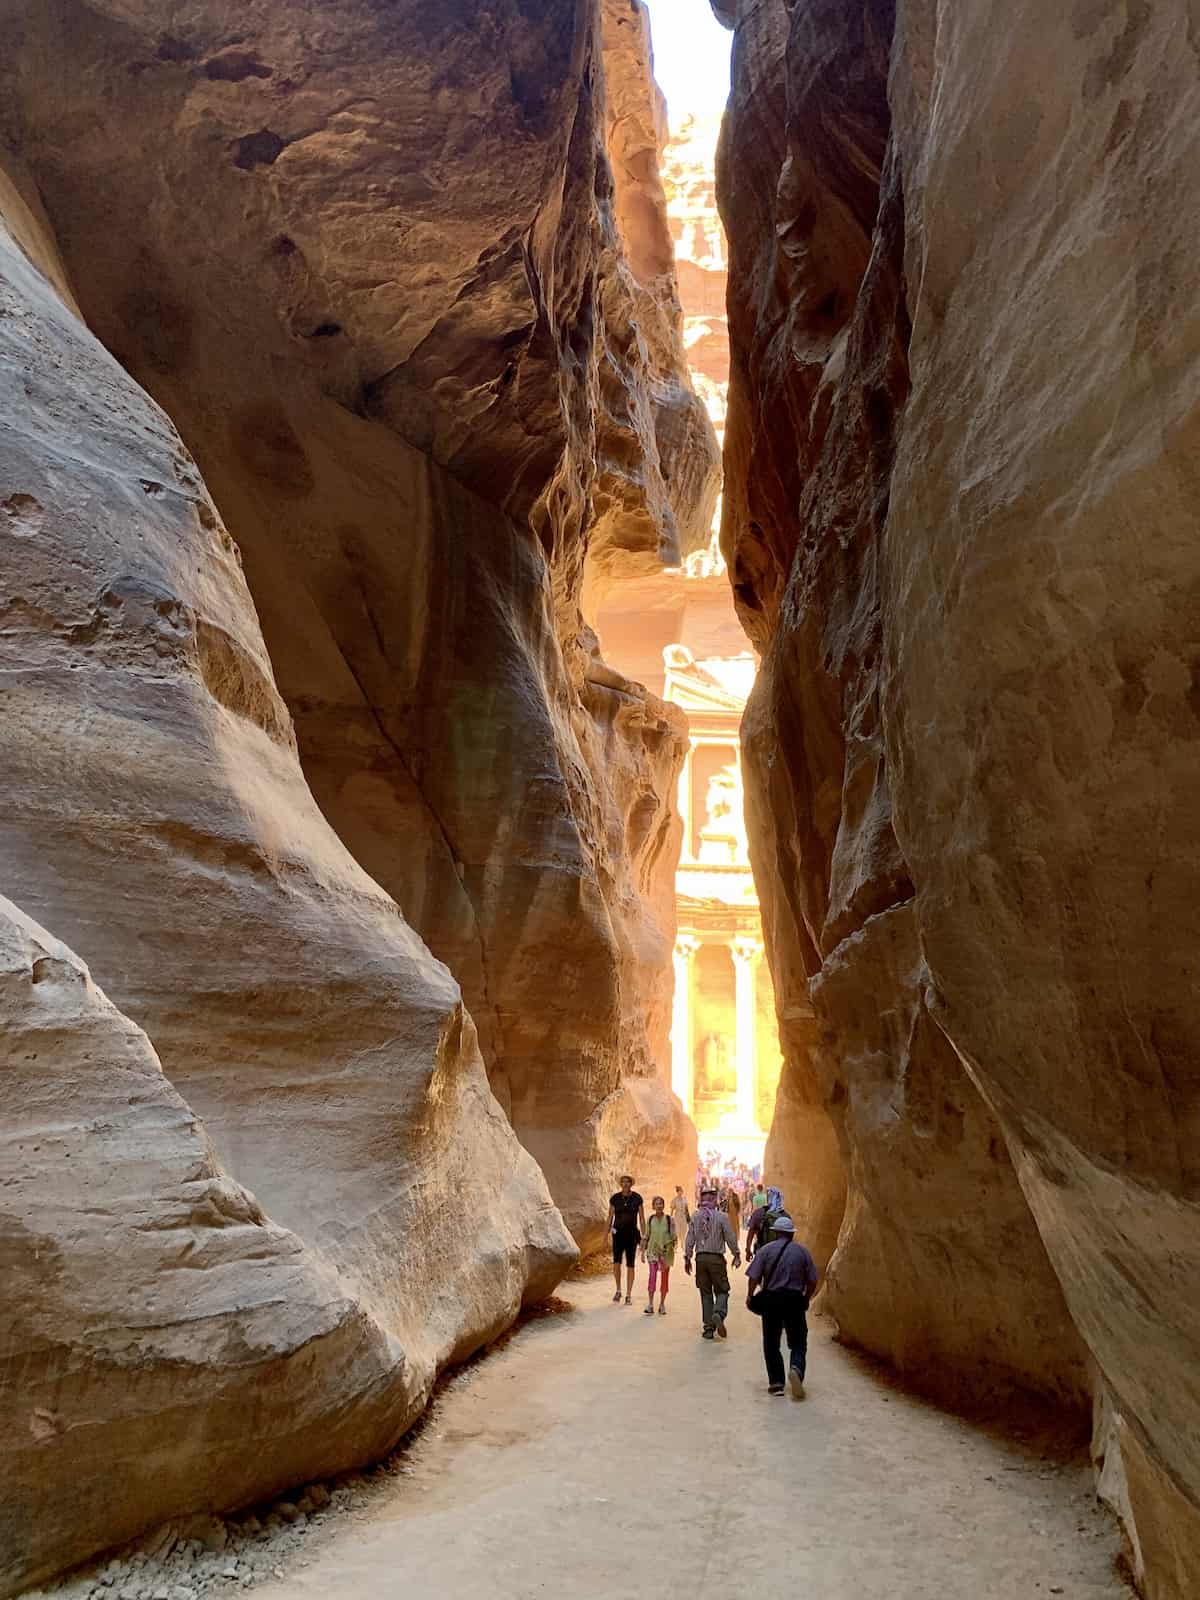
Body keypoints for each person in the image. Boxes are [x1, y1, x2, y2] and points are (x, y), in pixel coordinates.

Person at [746, 1213, 819, 1397]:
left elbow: (754, 1276)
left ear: (776, 1233)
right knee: (798, 1341)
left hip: (771, 1300)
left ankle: (776, 1383)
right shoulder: (802, 1252)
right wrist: (806, 1298)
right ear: (792, 1234)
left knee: (771, 1342)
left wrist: (750, 1295)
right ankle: (796, 1368)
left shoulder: (765, 1250)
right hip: (794, 1300)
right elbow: (812, 1280)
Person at [684, 1186, 741, 1339]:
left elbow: (689, 1238)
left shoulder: (695, 1216)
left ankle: (709, 1327)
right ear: (715, 1199)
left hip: (700, 1259)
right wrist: (736, 1253)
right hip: (716, 1260)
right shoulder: (722, 1217)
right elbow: (730, 1236)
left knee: (705, 1293)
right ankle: (718, 1313)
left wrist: (687, 1257)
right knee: (722, 1290)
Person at [607, 1175, 645, 1305]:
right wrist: (604, 1235)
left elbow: (641, 1218)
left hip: (632, 1235)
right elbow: (610, 1216)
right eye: (623, 1182)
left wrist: (644, 1237)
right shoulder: (615, 1198)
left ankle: (628, 1294)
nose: (625, 1184)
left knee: (630, 1264)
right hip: (617, 1235)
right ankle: (618, 1290)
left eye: (628, 1182)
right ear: (620, 1184)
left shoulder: (637, 1198)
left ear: (631, 1184)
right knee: (616, 1263)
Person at [641, 1196, 676, 1315]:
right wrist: (642, 1252)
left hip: (665, 1254)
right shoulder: (650, 1219)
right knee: (652, 1277)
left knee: (665, 1279)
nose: (659, 1205)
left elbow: (674, 1237)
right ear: (653, 1206)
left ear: (664, 1205)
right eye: (657, 1204)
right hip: (652, 1253)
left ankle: (662, 1304)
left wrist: (668, 1248)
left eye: (661, 1203)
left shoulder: (669, 1219)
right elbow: (646, 1236)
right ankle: (650, 1304)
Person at [745, 1184, 785, 1261]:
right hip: (778, 1255)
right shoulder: (785, 1216)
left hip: (761, 1252)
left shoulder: (758, 1213)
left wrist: (748, 1251)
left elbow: (750, 1234)